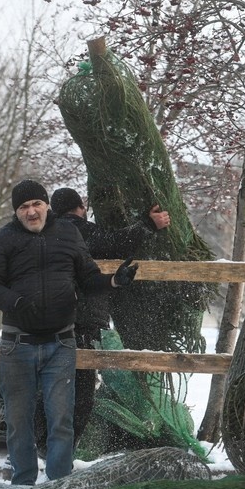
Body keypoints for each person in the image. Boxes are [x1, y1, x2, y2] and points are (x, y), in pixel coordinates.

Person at [0, 179, 138, 485]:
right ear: (16, 212)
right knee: (18, 422)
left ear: (47, 205)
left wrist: (114, 281)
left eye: (37, 204)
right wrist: (16, 302)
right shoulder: (4, 239)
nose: (31, 211)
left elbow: (88, 278)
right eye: (24, 207)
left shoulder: (68, 233)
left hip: (60, 343)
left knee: (61, 420)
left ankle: (58, 485)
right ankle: (22, 485)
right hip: (17, 345)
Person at [47, 187, 170, 450]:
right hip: (82, 321)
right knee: (80, 391)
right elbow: (115, 243)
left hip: (50, 321)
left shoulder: (45, 234)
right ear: (80, 208)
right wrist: (148, 224)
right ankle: (61, 448)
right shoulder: (78, 229)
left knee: (53, 384)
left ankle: (49, 444)